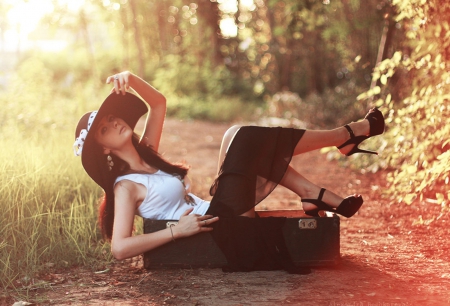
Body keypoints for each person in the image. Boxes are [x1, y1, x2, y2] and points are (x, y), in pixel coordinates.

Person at [74, 71, 384, 272]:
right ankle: (345, 136)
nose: (114, 123)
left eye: (112, 117)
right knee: (245, 139)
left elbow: (158, 104)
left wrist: (131, 77)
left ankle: (311, 192)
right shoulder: (125, 187)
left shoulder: (148, 154)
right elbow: (119, 248)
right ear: (103, 148)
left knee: (234, 134)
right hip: (223, 227)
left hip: (220, 211)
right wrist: (176, 231)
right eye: (104, 128)